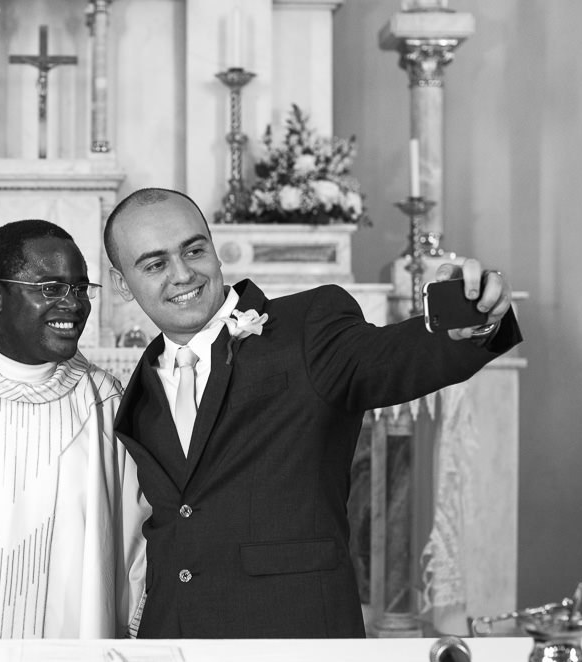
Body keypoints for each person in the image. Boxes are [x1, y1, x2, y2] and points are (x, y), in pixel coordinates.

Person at [104, 188, 522, 639]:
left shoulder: (308, 326)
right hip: (173, 644)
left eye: (193, 250)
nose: (183, 274)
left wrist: (470, 323)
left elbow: (393, 358)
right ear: (123, 284)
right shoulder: (140, 387)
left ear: (214, 249)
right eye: (155, 264)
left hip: (296, 636)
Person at [0, 219, 147, 638]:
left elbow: (132, 545)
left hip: (69, 661)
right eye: (51, 288)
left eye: (80, 288)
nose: (74, 304)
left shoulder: (103, 402)